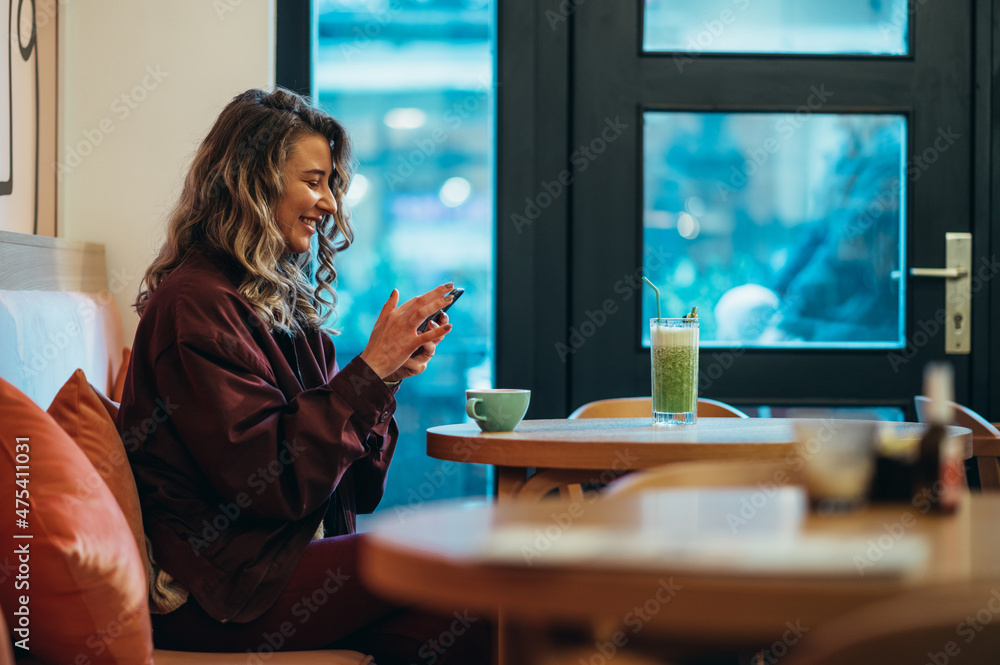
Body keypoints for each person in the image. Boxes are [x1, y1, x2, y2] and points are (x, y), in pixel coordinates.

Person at [117, 88, 488, 664]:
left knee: (473, 618)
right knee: (455, 565)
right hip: (216, 589)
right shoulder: (195, 305)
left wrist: (382, 382)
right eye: (313, 181)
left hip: (269, 558)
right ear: (252, 184)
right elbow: (270, 482)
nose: (329, 205)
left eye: (331, 186)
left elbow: (357, 489)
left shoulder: (276, 306)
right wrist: (368, 373)